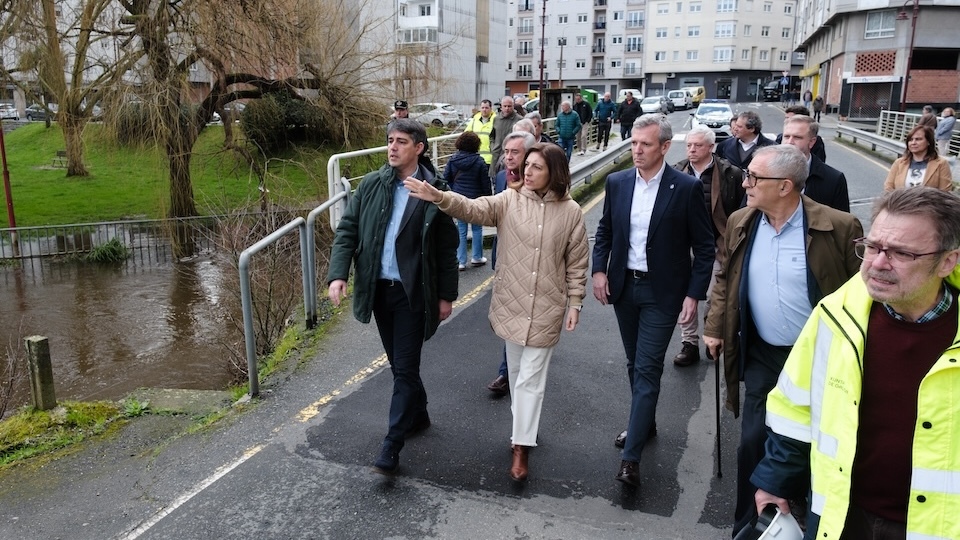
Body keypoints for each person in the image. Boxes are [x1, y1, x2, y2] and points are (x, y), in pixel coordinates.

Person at [752, 186, 960, 540]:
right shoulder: (835, 316)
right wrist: (776, 480)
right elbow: (795, 407)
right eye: (873, 246)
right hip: (841, 515)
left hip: (937, 528)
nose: (877, 263)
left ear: (947, 261)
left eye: (901, 253)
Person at [702, 144, 863, 536]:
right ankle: (749, 524)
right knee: (753, 440)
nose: (746, 182)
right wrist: (714, 323)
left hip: (820, 360)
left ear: (786, 186)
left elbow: (863, 292)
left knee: (817, 442)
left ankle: (810, 519)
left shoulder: (839, 228)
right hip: (763, 353)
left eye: (755, 177)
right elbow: (726, 277)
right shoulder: (742, 220)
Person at [404, 143, 589, 482]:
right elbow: (472, 208)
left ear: (554, 173)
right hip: (512, 302)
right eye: (527, 165)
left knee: (531, 379)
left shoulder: (572, 212)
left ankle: (521, 446)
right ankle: (525, 427)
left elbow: (577, 263)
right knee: (518, 375)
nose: (527, 171)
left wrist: (575, 302)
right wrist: (438, 196)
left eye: (536, 167)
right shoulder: (509, 200)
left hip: (547, 306)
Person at [327, 118, 459, 476]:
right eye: (389, 140)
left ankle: (392, 444)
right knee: (401, 367)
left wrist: (446, 296)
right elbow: (347, 231)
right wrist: (338, 275)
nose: (392, 147)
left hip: (413, 294)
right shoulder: (371, 185)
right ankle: (420, 414)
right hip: (379, 292)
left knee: (404, 369)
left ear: (419, 148)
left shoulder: (435, 190)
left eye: (401, 141)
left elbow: (447, 249)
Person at [592, 114, 715, 488]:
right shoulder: (617, 183)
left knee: (647, 368)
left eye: (645, 144)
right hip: (624, 289)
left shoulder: (686, 188)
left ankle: (631, 457)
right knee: (634, 364)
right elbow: (605, 231)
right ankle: (644, 422)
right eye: (633, 143)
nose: (637, 150)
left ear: (664, 147)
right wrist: (599, 271)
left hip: (663, 293)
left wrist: (694, 293)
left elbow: (705, 247)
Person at [665, 126, 746, 370]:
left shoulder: (730, 173)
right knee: (683, 295)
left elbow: (738, 211)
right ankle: (689, 344)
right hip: (682, 245)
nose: (691, 149)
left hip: (716, 244)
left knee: (713, 295)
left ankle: (712, 337)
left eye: (697, 145)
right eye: (689, 145)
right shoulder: (676, 171)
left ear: (711, 147)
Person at [486, 131, 537, 397]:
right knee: (512, 321)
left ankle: (515, 374)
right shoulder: (501, 178)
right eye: (505, 152)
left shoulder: (542, 179)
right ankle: (508, 372)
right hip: (506, 254)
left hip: (534, 264)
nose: (507, 158)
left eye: (514, 152)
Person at [780, 115, 850, 212]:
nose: (790, 142)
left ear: (812, 142)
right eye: (786, 136)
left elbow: (843, 222)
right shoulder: (765, 171)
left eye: (797, 137)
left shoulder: (834, 179)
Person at [445, 131, 491, 270]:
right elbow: (485, 183)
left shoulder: (453, 160)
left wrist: (453, 191)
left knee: (461, 229)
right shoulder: (480, 161)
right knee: (477, 228)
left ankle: (460, 261)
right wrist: (488, 197)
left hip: (458, 199)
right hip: (475, 199)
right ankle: (477, 257)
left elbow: (446, 179)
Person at [883, 125, 953, 192]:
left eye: (918, 139)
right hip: (901, 204)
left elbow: (945, 192)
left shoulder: (941, 163)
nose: (913, 143)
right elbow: (888, 188)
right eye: (910, 140)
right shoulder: (899, 163)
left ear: (928, 142)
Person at [489, 96, 525, 180]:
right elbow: (492, 136)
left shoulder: (519, 120)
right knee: (494, 179)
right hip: (496, 155)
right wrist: (492, 147)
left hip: (511, 156)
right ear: (501, 107)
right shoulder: (496, 119)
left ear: (513, 106)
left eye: (509, 106)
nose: (507, 108)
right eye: (505, 106)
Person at [464, 99, 495, 165]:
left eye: (486, 108)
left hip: (490, 159)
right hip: (475, 158)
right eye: (482, 108)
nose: (484, 110)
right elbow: (466, 135)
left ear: (491, 108)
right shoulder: (475, 120)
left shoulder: (496, 120)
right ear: (480, 108)